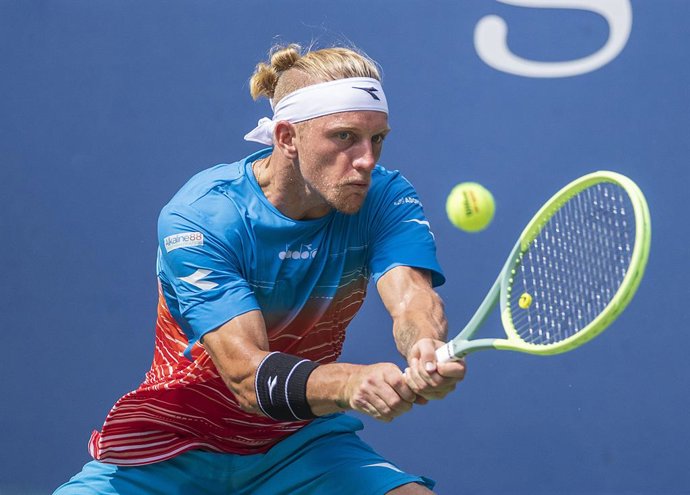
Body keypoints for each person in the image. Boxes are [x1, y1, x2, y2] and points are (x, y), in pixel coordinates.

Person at [54, 42, 466, 495]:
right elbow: (247, 377)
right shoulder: (203, 217)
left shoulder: (384, 197)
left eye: (377, 139)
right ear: (287, 137)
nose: (367, 159)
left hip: (296, 445)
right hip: (170, 449)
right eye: (345, 137)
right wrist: (350, 382)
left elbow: (411, 298)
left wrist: (424, 346)